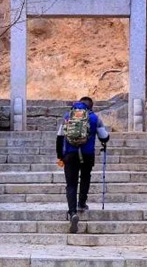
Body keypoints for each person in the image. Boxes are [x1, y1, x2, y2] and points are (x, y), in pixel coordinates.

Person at [56, 96, 110, 233]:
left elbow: (59, 137)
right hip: (87, 154)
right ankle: (81, 203)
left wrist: (60, 156)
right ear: (91, 107)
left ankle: (72, 212)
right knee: (85, 177)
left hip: (70, 155)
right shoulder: (94, 118)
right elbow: (104, 136)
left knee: (71, 184)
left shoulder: (68, 116)